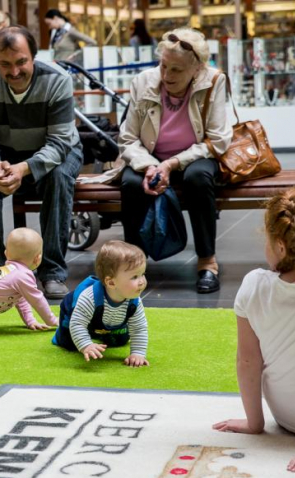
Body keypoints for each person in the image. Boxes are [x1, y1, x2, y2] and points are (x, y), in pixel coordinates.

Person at [0, 26, 83, 299]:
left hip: (59, 151)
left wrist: (24, 168)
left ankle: (52, 271)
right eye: (5, 64)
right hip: (7, 154)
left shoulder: (57, 79)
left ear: (34, 56)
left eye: (21, 62)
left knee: (58, 179)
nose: (14, 71)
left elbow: (59, 142)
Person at [118, 28, 232, 294]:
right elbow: (127, 138)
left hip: (196, 155)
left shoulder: (213, 81)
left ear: (197, 68)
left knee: (198, 178)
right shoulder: (144, 81)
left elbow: (217, 140)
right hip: (150, 156)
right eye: (164, 65)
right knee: (130, 182)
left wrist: (172, 164)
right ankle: (132, 265)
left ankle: (207, 263)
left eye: (177, 70)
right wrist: (149, 166)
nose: (167, 75)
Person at [213, 189, 295, 472]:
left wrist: (254, 423)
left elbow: (248, 362)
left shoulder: (254, 286)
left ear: (281, 248)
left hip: (287, 416)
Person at [52, 240, 149, 367]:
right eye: (134, 277)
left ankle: (100, 333)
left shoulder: (134, 301)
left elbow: (139, 328)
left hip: (107, 320)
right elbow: (77, 324)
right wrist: (86, 345)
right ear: (111, 283)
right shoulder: (89, 298)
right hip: (74, 315)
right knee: (69, 343)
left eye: (143, 274)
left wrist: (138, 353)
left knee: (121, 340)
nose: (142, 281)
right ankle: (65, 334)